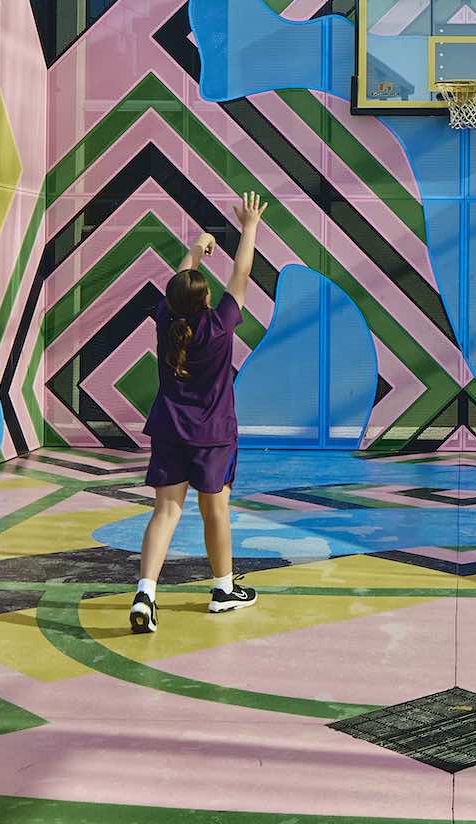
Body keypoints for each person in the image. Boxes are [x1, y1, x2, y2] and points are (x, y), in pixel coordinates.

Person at [130, 191, 267, 634]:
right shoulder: (220, 323)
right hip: (213, 435)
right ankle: (223, 590)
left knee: (165, 512)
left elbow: (179, 287)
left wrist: (194, 250)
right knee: (215, 512)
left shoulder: (166, 321)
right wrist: (249, 227)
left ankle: (145, 593)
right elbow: (241, 272)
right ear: (207, 298)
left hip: (169, 429)